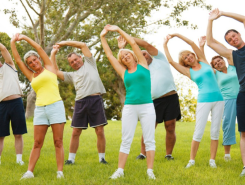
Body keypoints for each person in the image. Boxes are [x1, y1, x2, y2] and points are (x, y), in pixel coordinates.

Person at [206, 8, 245, 176]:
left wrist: (223, 13)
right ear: (229, 44)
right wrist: (211, 20)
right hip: (244, 96)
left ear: (239, 35)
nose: (232, 39)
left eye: (234, 36)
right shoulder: (231, 55)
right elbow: (210, 42)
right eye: (229, 40)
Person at [100, 25, 156, 179]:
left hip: (147, 106)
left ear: (132, 55)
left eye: (127, 55)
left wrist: (118, 29)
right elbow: (110, 56)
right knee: (126, 139)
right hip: (130, 107)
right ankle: (120, 170)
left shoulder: (143, 65)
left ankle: (150, 171)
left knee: (150, 139)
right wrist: (102, 37)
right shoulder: (124, 72)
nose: (125, 57)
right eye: (123, 57)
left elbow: (132, 42)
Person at [163, 33, 224, 168]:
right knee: (199, 131)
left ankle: (212, 160)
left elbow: (191, 42)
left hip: (219, 99)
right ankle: (191, 160)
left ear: (193, 55)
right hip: (204, 100)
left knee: (215, 130)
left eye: (189, 54)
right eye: (185, 58)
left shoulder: (203, 60)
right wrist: (165, 44)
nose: (189, 57)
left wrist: (177, 35)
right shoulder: (188, 71)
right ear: (184, 62)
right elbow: (171, 62)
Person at [11, 33, 66, 179]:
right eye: (30, 62)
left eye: (35, 60)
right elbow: (17, 59)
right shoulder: (31, 76)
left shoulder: (49, 66)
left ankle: (60, 172)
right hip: (40, 109)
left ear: (39, 59)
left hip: (56, 106)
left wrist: (24, 37)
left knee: (58, 141)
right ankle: (29, 172)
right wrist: (12, 42)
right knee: (37, 142)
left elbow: (39, 47)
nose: (33, 63)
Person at [117, 36, 181, 160]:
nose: (144, 55)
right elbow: (123, 66)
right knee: (149, 127)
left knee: (170, 126)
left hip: (170, 97)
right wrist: (122, 49)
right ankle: (143, 153)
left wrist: (127, 37)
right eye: (140, 55)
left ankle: (169, 155)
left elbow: (145, 44)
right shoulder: (141, 69)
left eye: (145, 53)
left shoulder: (160, 58)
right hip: (153, 101)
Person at [50, 41, 108, 165]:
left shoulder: (90, 63)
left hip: (95, 100)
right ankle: (71, 159)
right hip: (80, 103)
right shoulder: (72, 75)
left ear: (80, 57)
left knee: (99, 131)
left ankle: (102, 159)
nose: (75, 62)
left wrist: (63, 43)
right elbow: (54, 71)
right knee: (76, 132)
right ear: (70, 65)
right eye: (72, 62)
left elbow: (82, 45)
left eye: (76, 59)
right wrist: (53, 53)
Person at [198, 36, 245, 162]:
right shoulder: (216, 74)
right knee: (228, 125)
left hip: (243, 97)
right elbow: (203, 61)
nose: (218, 63)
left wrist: (215, 42)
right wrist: (201, 46)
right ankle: (227, 154)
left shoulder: (234, 66)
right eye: (215, 63)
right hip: (227, 101)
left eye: (219, 60)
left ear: (223, 60)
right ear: (215, 67)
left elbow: (227, 53)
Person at [0, 39, 27, 165]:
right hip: (1, 105)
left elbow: (3, 48)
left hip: (16, 103)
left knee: (18, 134)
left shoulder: (9, 65)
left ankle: (19, 160)